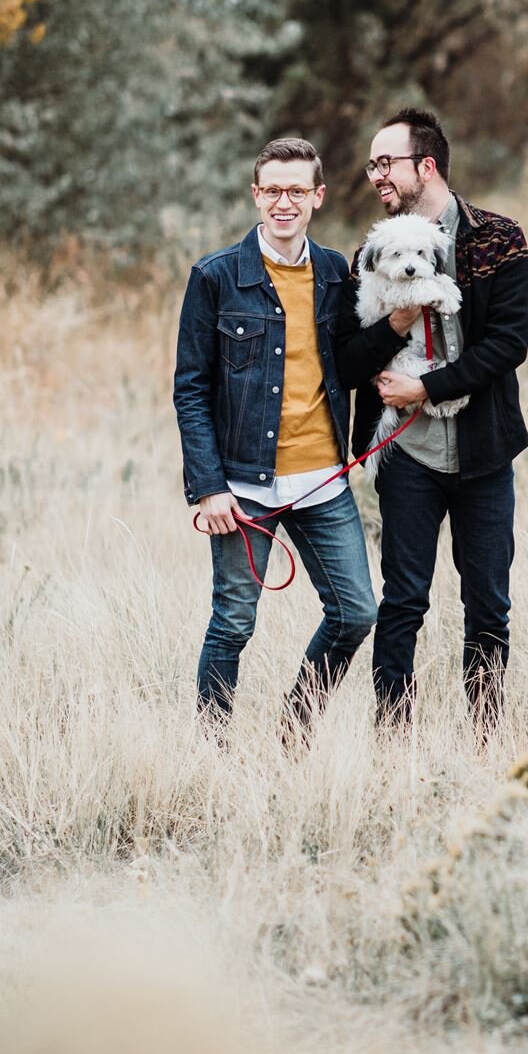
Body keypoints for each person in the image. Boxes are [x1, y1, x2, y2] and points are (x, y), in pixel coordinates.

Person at [172, 136, 419, 739]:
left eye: (297, 191)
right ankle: (213, 749)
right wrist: (208, 487)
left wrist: (395, 329)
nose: (285, 202)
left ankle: (294, 728)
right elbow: (191, 389)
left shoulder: (338, 272)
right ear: (257, 196)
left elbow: (355, 362)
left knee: (357, 611)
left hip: (323, 479)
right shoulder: (215, 276)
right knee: (233, 623)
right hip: (242, 484)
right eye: (273, 190)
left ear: (317, 197)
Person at [337, 107, 528, 736]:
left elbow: (508, 343)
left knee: (488, 606)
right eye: (371, 165)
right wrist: (396, 324)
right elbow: (344, 361)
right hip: (407, 457)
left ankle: (485, 736)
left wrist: (427, 386)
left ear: (427, 165)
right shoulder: (368, 257)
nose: (375, 175)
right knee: (402, 604)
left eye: (385, 162)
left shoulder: (499, 237)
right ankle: (395, 741)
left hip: (484, 453)